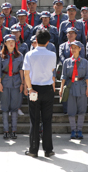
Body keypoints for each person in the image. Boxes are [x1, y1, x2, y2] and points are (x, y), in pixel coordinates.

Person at [23, 28, 56, 158]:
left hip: (34, 88)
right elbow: (52, 70)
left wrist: (29, 88)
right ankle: (48, 150)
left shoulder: (29, 54)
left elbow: (26, 74)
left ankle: (33, 149)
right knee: (47, 120)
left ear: (36, 40)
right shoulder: (52, 55)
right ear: (48, 42)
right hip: (48, 88)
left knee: (35, 120)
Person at [60, 41, 88, 140]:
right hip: (71, 87)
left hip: (82, 86)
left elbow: (87, 76)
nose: (73, 50)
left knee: (82, 109)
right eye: (72, 48)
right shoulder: (66, 62)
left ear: (80, 49)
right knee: (71, 110)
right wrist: (61, 89)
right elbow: (63, 76)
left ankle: (79, 130)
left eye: (75, 48)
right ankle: (73, 130)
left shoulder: (85, 62)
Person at [0, 34, 24, 140]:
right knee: (4, 107)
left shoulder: (20, 55)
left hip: (16, 82)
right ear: (5, 43)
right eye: (8, 42)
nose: (11, 43)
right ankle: (6, 131)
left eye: (13, 41)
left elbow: (21, 70)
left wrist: (22, 83)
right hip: (4, 82)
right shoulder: (1, 55)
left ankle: (14, 130)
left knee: (14, 108)